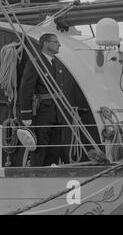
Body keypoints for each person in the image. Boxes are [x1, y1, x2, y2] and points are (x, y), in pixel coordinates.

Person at [19, 33, 74, 166]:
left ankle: (51, 176)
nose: (59, 44)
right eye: (55, 42)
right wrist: (26, 115)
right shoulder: (35, 63)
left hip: (57, 114)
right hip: (42, 113)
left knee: (54, 150)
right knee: (40, 150)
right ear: (45, 43)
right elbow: (25, 89)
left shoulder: (56, 64)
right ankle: (37, 179)